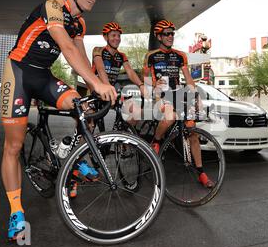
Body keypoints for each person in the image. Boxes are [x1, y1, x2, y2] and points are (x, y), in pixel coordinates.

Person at [0, 0, 117, 241]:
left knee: (84, 108)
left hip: (43, 77)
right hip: (18, 72)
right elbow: (65, 47)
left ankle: (70, 157)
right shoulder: (53, 6)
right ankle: (16, 211)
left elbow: (80, 57)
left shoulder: (81, 23)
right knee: (13, 146)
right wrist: (98, 83)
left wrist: (95, 87)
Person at [143, 19, 214, 188]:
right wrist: (153, 85)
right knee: (170, 116)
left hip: (178, 94)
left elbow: (188, 79)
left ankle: (201, 172)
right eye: (166, 34)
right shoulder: (151, 56)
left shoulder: (180, 55)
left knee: (192, 131)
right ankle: (157, 141)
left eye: (172, 34)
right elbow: (144, 79)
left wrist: (196, 97)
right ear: (159, 37)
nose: (170, 37)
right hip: (160, 95)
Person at [91, 22, 145, 126]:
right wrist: (107, 86)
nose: (117, 38)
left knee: (134, 112)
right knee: (90, 124)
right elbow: (100, 69)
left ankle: (123, 135)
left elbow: (130, 72)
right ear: (105, 37)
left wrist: (141, 85)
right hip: (98, 89)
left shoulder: (121, 55)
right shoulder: (98, 50)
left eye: (119, 36)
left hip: (113, 90)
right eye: (113, 35)